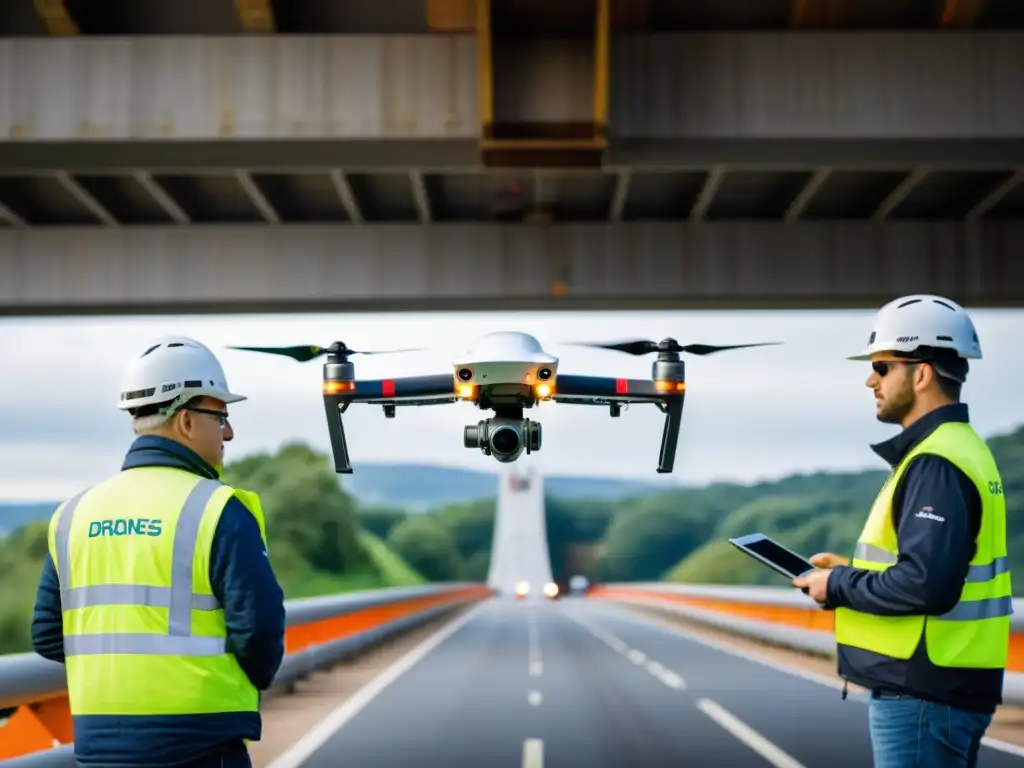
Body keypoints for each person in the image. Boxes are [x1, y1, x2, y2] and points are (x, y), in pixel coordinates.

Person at [31, 336, 286, 767]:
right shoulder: (218, 510)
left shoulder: (72, 515)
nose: (229, 431)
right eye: (220, 415)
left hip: (99, 749)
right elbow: (259, 633)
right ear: (185, 421)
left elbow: (48, 635)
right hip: (202, 746)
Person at [792, 295, 1012, 768]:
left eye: (882, 366)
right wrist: (852, 572)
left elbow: (926, 584)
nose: (870, 379)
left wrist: (837, 585)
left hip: (924, 693)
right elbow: (929, 566)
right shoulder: (959, 449)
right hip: (943, 686)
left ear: (922, 373)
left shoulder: (937, 461)